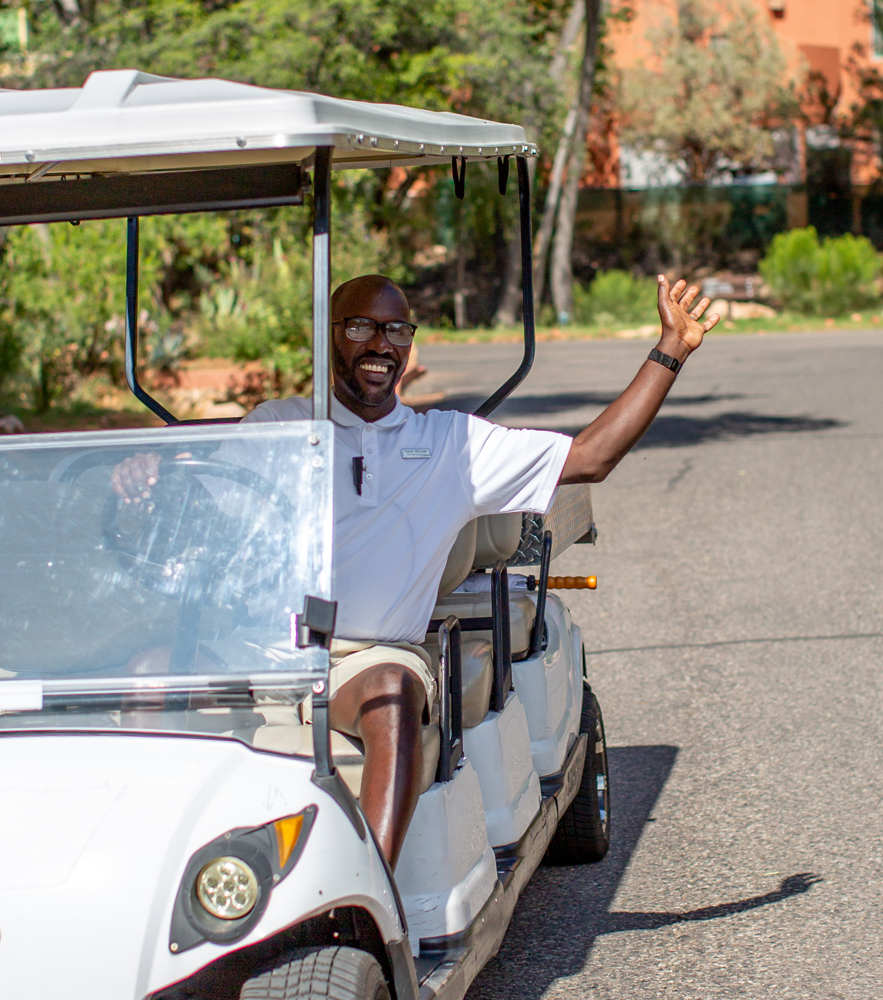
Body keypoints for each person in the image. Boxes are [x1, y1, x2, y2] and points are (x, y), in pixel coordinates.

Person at [113, 272, 718, 867]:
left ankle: (368, 894)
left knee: (392, 696)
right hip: (261, 652)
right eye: (361, 327)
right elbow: (196, 513)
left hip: (365, 657)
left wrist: (671, 350)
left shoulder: (451, 444)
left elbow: (590, 457)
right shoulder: (278, 426)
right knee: (143, 676)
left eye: (397, 329)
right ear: (329, 338)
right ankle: (144, 876)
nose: (381, 345)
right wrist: (140, 477)